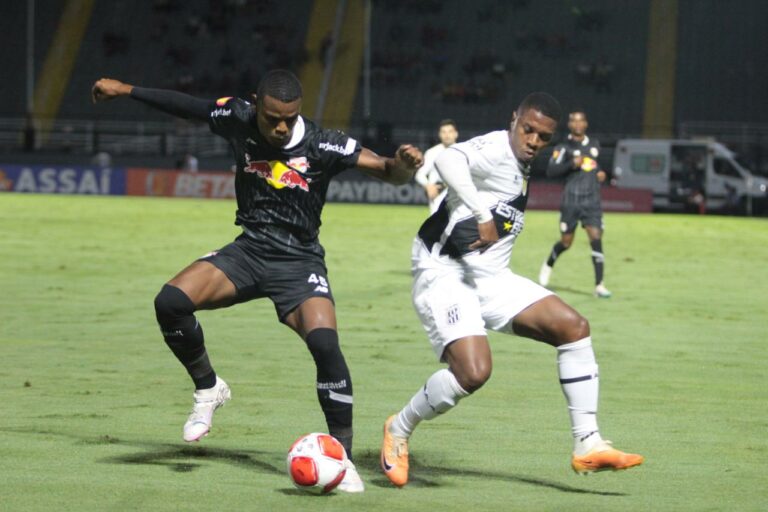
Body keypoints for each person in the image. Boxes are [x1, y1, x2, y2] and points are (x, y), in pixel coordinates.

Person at [92, 70, 423, 493]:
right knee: (170, 301)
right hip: (249, 251)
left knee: (325, 345)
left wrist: (404, 167)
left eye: (289, 118)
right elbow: (188, 105)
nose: (281, 127)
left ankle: (342, 458)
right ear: (256, 105)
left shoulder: (324, 144)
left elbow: (385, 170)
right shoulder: (238, 118)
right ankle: (209, 389)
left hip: (298, 261)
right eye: (272, 119)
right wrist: (126, 90)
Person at [379, 93, 643, 487]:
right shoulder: (495, 149)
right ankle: (398, 429)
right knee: (473, 371)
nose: (533, 139)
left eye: (543, 136)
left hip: (491, 276)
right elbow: (448, 160)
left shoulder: (524, 162)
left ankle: (587, 443)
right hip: (446, 271)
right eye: (528, 129)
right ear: (513, 120)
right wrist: (483, 214)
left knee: (574, 328)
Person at [538, 109, 611, 298]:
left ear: (585, 124)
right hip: (571, 201)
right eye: (574, 121)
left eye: (581, 121)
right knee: (566, 242)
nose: (578, 124)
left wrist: (601, 173)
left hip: (592, 200)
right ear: (570, 125)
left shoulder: (594, 144)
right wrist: (571, 164)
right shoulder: (563, 147)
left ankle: (599, 285)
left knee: (596, 237)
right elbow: (551, 171)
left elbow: (596, 165)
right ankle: (548, 264)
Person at [414, 119, 459, 214]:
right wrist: (428, 186)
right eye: (444, 132)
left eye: (450, 132)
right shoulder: (432, 153)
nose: (447, 135)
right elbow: (420, 174)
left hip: (458, 194)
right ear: (439, 134)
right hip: (438, 194)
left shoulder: (464, 152)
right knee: (438, 226)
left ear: (456, 134)